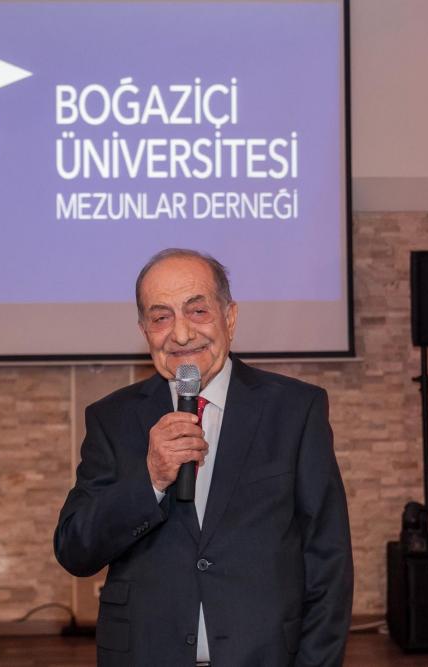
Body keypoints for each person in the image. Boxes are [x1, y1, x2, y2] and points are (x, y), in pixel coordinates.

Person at [54, 248, 353, 666]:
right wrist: (150, 479)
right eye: (161, 317)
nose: (180, 334)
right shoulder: (113, 418)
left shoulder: (294, 410)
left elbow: (328, 560)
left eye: (197, 311)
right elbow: (75, 549)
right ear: (144, 330)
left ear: (229, 317)